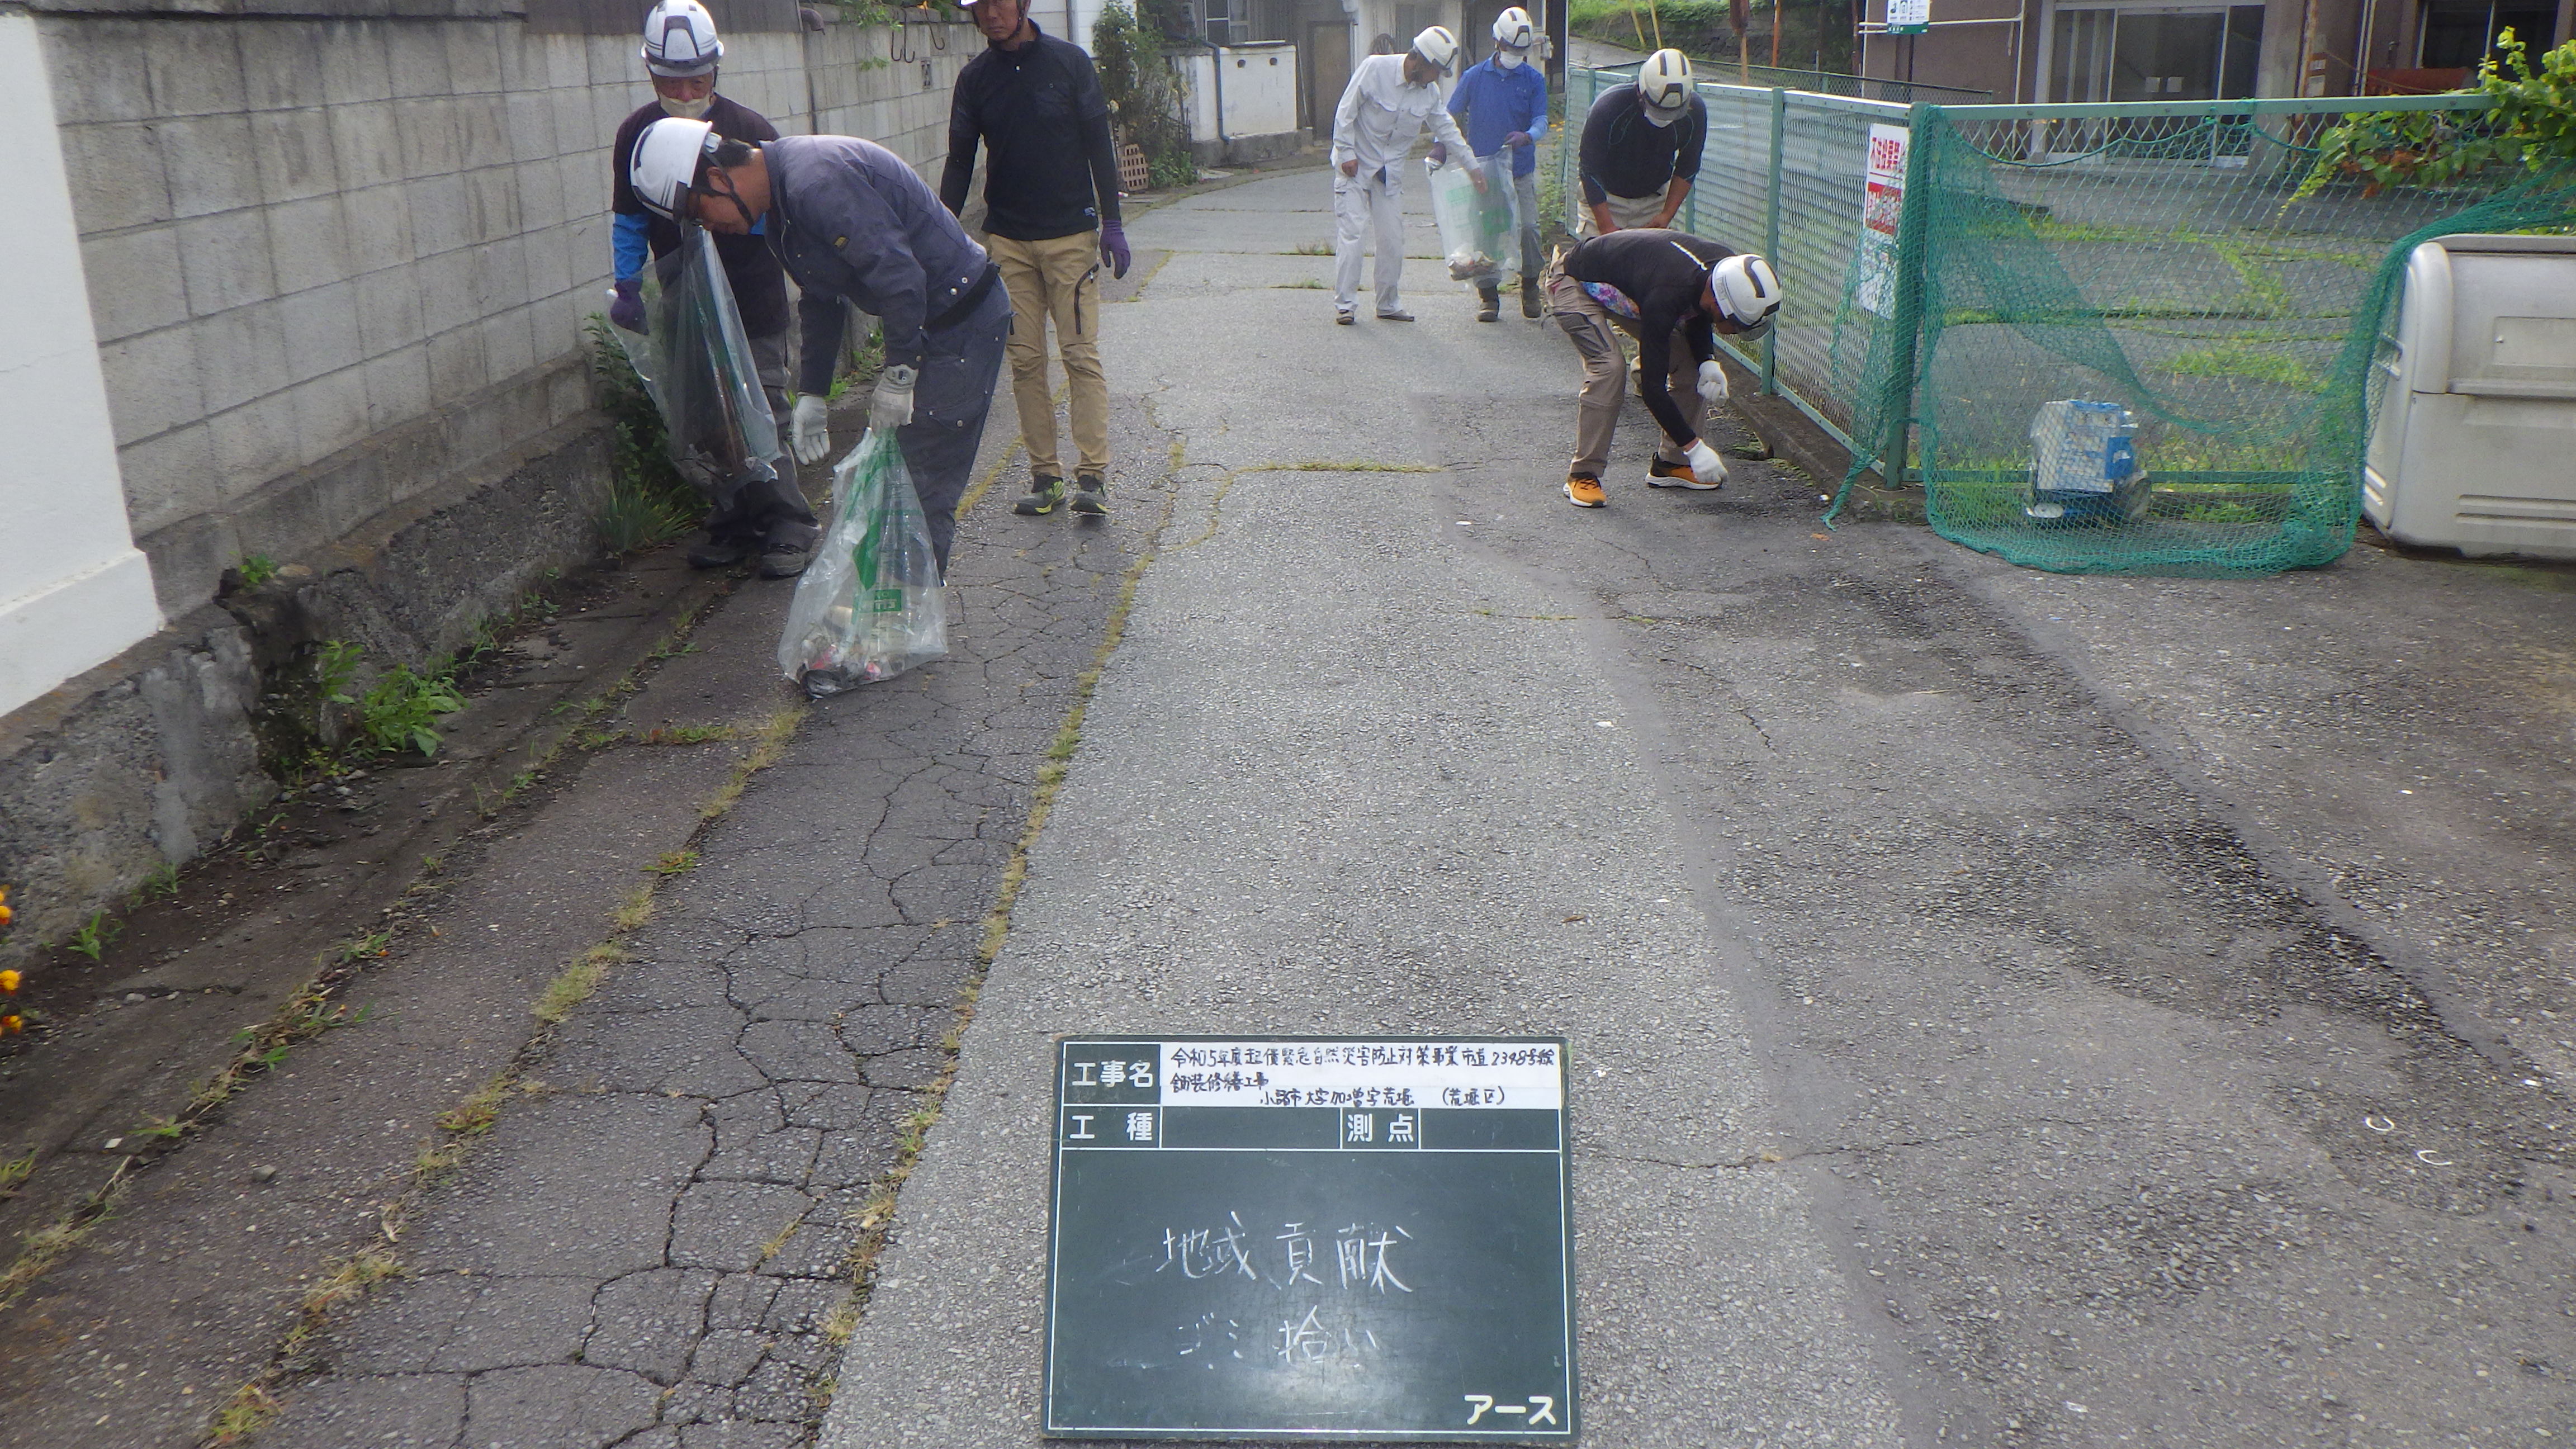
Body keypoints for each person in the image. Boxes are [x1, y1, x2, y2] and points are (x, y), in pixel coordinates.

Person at [629, 119, 1011, 574]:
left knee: (922, 484)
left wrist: (900, 373)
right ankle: (894, 617)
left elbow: (901, 278)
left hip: (961, 321)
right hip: (932, 322)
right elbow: (821, 297)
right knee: (900, 481)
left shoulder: (815, 180)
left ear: (716, 178)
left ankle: (909, 631)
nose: (710, 226)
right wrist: (813, 392)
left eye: (700, 213)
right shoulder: (781, 204)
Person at [605, 0, 815, 578]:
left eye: (698, 77)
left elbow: (785, 214)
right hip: (685, 298)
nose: (687, 89)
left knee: (763, 408)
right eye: (673, 80)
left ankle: (787, 523)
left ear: (716, 69)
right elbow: (628, 217)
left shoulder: (749, 131)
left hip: (754, 295)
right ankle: (733, 520)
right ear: (651, 74)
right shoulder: (636, 134)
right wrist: (627, 284)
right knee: (706, 417)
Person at [942, 0, 1130, 520]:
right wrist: (938, 229)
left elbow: (1098, 144)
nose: (990, 14)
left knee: (1078, 354)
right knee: (1024, 362)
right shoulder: (975, 79)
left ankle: (1092, 476)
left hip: (1071, 235)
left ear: (1023, 4)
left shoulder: (1070, 63)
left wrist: (1110, 222)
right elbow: (961, 160)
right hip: (1009, 242)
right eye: (980, 7)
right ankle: (1045, 477)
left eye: (1000, 3)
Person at [1543, 229, 1781, 508]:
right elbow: (1652, 388)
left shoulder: (1727, 271)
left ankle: (1671, 464)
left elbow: (1698, 312)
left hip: (1627, 288)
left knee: (1692, 367)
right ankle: (1584, 474)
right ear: (1720, 302)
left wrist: (1707, 361)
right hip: (1575, 281)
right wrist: (1695, 446)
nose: (1735, 330)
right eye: (1737, 323)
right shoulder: (1670, 291)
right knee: (1609, 368)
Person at [1328, 26, 1481, 325]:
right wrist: (1346, 152)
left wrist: (1473, 168)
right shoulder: (1375, 69)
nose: (1437, 77)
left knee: (1393, 241)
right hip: (1355, 167)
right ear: (1420, 61)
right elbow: (1345, 111)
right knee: (1353, 235)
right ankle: (1346, 305)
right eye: (1436, 70)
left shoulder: (1430, 94)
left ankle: (1388, 303)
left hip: (1389, 174)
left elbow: (1447, 130)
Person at [1445, 8, 1549, 322]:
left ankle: (1530, 286)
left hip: (1519, 170)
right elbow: (1449, 117)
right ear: (1496, 42)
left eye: (1522, 50)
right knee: (1486, 232)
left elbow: (1542, 120)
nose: (1516, 54)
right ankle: (1488, 296)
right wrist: (1440, 147)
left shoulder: (1533, 80)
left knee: (1529, 229)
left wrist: (1528, 136)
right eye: (1511, 48)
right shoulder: (1474, 77)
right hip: (1483, 172)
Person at [1575, 49, 1707, 237]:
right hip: (1605, 200)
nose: (1665, 118)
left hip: (1654, 203)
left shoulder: (1694, 112)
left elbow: (1689, 165)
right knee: (1598, 263)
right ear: (1641, 92)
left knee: (1651, 265)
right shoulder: (1609, 107)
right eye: (1657, 109)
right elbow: (1589, 169)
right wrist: (1606, 227)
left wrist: (1667, 215)